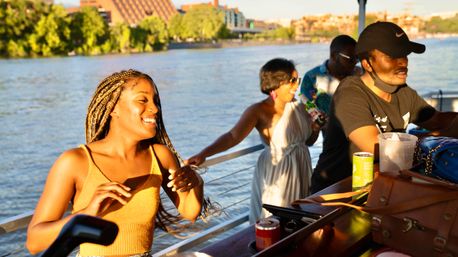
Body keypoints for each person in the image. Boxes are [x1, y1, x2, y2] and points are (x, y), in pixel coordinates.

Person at [26, 69, 204, 256]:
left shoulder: (160, 156)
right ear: (113, 108)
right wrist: (88, 212)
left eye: (155, 101)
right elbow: (34, 242)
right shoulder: (74, 162)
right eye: (143, 100)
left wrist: (197, 182)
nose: (155, 109)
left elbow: (190, 211)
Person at [311, 21, 458, 193]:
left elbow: (437, 120)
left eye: (404, 55)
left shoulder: (403, 92)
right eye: (392, 57)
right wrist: (434, 137)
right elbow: (374, 146)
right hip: (336, 193)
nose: (402, 62)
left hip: (379, 189)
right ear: (367, 64)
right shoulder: (350, 93)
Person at [186, 58, 321, 223]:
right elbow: (233, 136)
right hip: (278, 173)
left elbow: (308, 142)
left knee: (301, 219)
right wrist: (204, 154)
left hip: (301, 168)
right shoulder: (259, 110)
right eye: (292, 81)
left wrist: (315, 129)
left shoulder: (301, 107)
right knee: (276, 220)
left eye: (297, 80)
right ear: (276, 83)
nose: (296, 86)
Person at [300, 34, 361, 117]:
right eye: (350, 59)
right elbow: (307, 110)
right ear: (334, 56)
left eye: (357, 58)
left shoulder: (360, 74)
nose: (355, 62)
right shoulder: (312, 77)